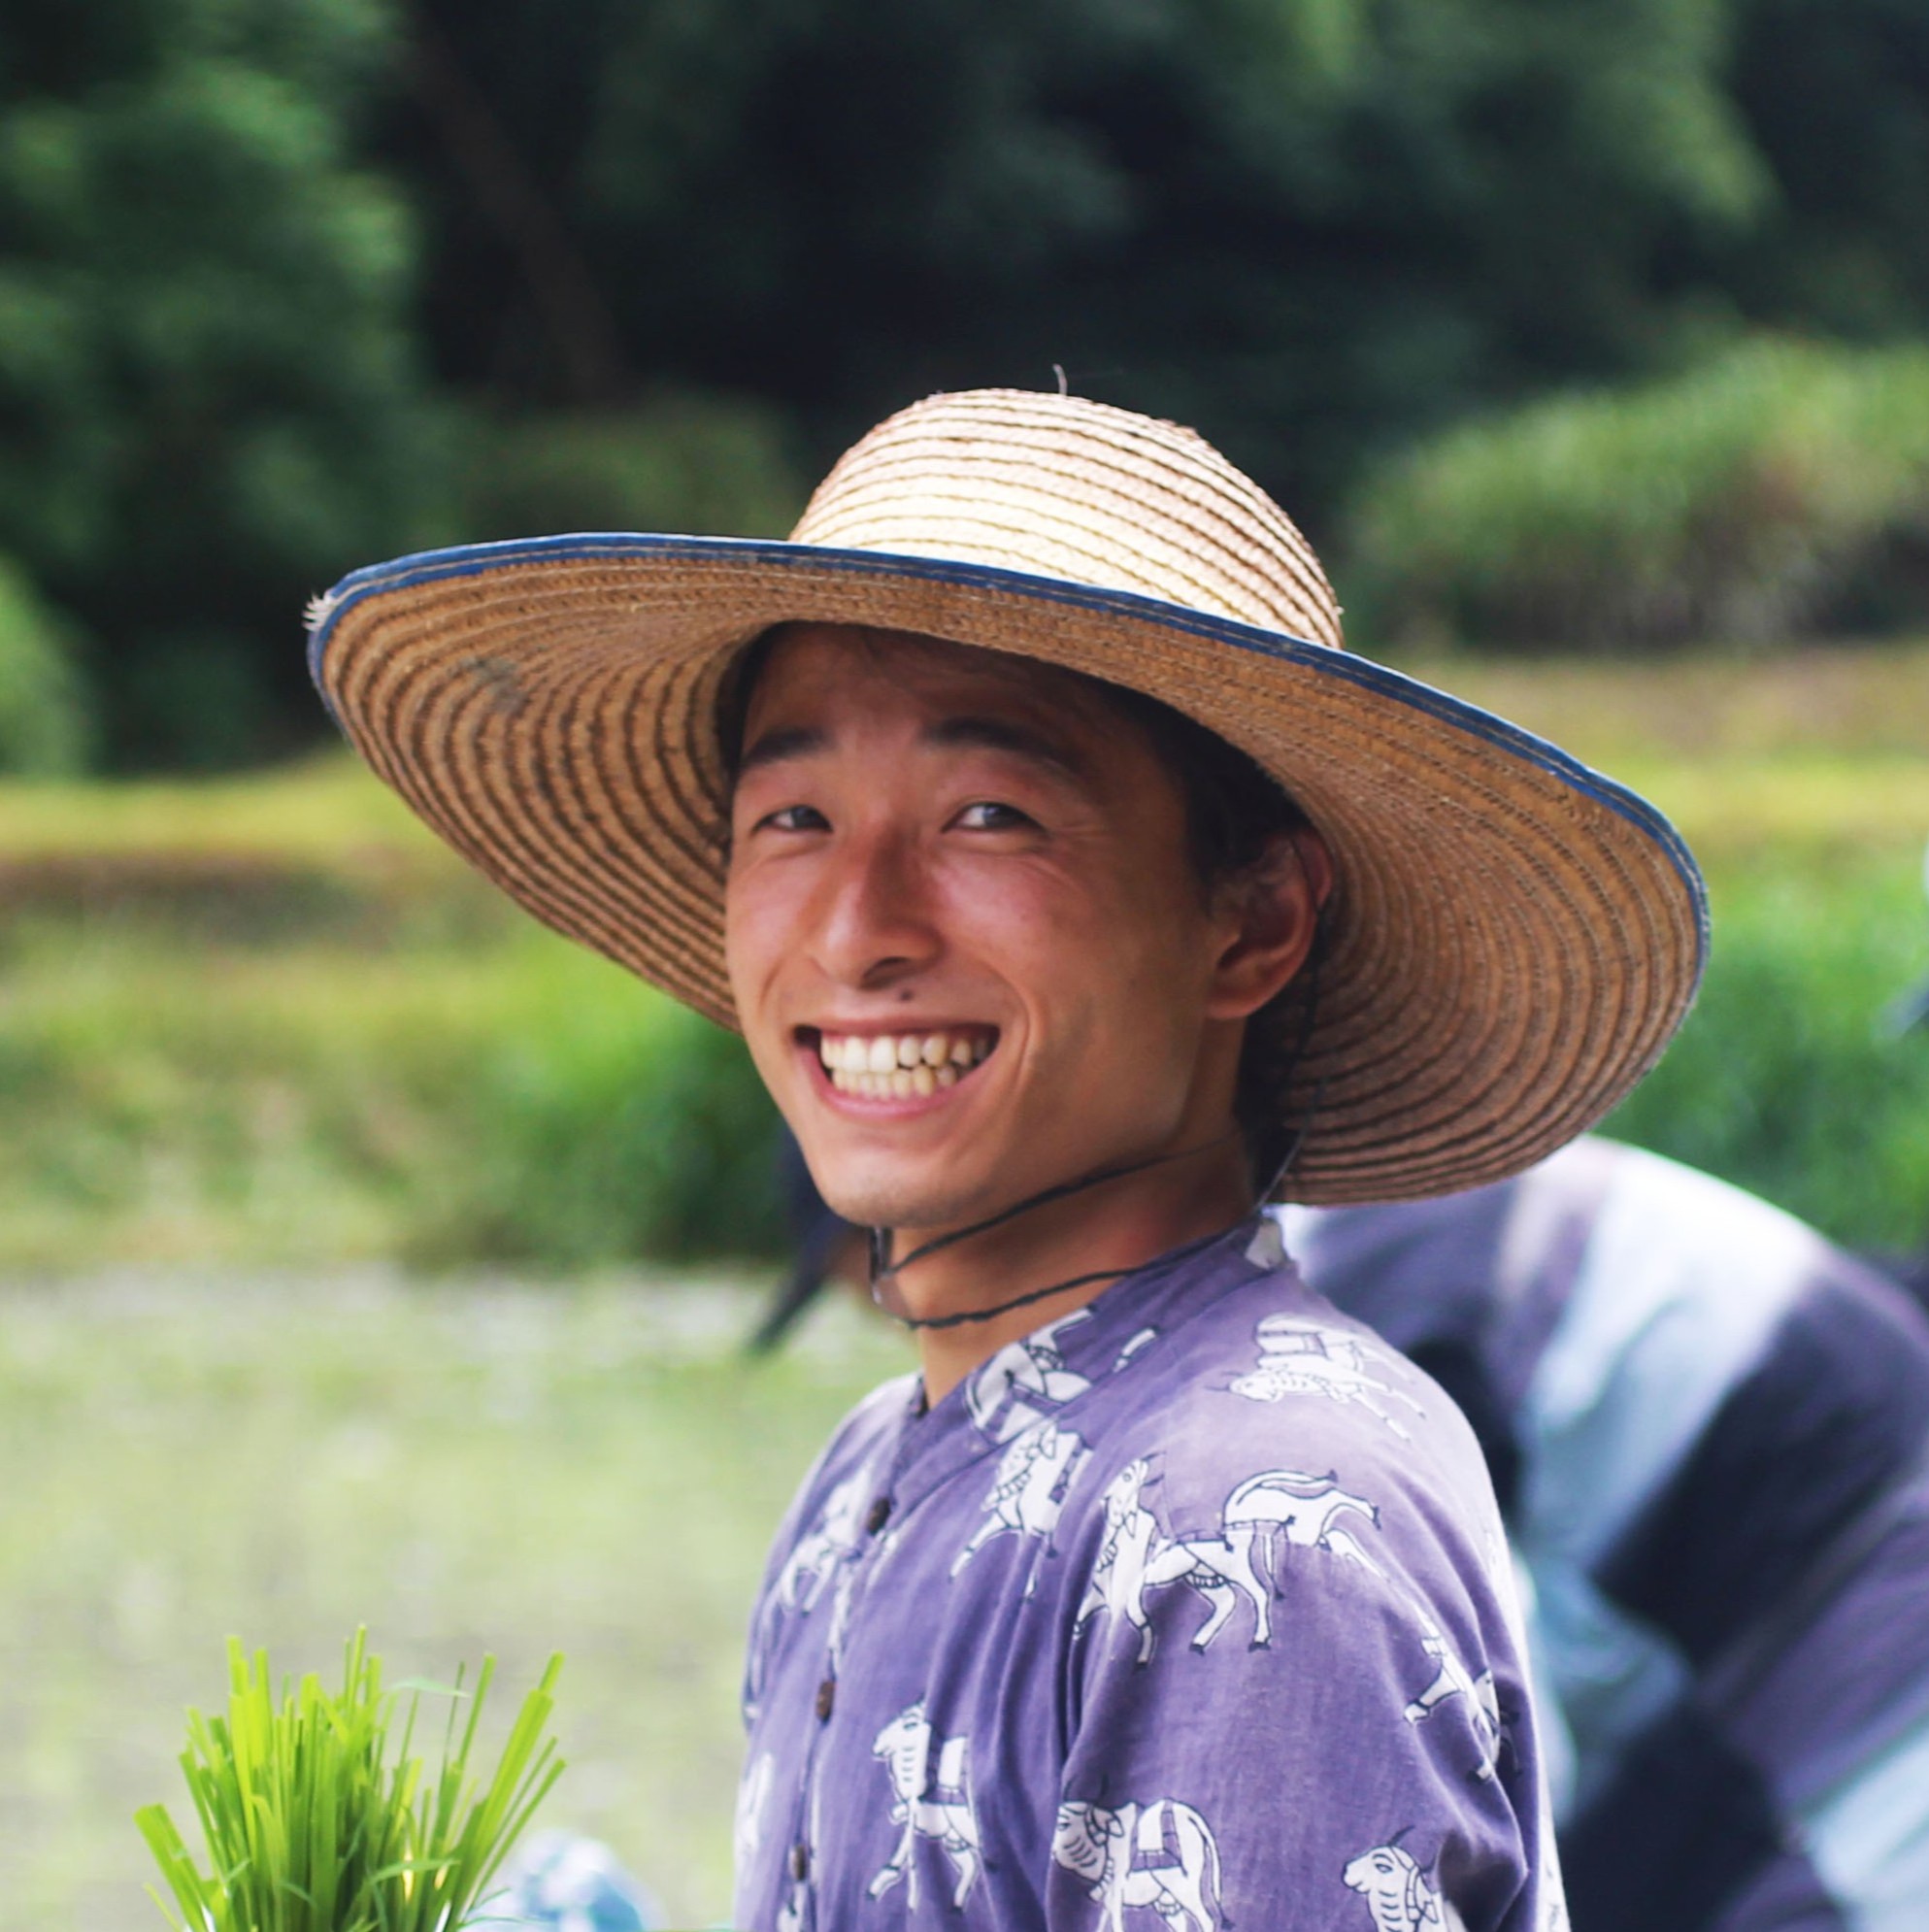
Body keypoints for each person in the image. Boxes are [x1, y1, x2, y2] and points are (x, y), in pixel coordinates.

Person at [309, 388, 1707, 1929]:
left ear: (1252, 920)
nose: (857, 929)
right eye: (794, 815)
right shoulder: (868, 1480)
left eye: (987, 815)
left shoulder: (1254, 1514)